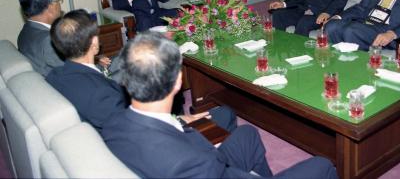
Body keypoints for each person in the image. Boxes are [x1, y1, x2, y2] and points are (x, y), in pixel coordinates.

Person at [102, 32, 338, 179]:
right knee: (323, 165)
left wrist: (180, 122)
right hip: (206, 167)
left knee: (247, 134)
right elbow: (202, 163)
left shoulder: (113, 124)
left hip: (190, 160)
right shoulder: (192, 163)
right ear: (177, 82)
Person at [47, 10, 236, 133]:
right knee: (225, 115)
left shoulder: (54, 77)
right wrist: (179, 120)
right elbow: (137, 129)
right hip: (157, 140)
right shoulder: (102, 96)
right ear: (94, 42)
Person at [17, 0, 113, 77]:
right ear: (50, 7)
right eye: (57, 0)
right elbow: (79, 72)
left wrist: (96, 59)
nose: (60, 4)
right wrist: (97, 63)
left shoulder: (25, 32)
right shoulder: (48, 41)